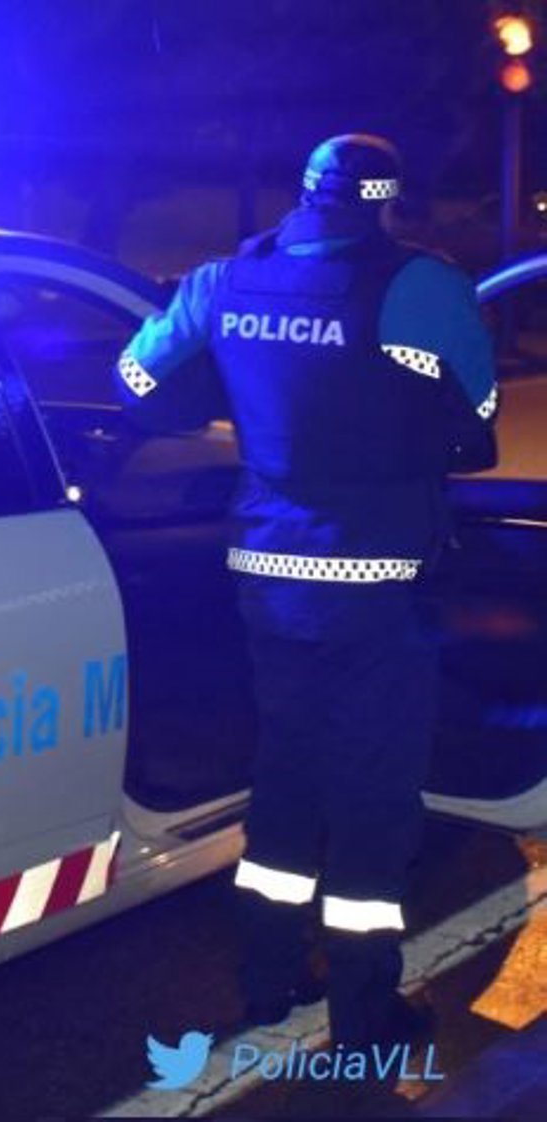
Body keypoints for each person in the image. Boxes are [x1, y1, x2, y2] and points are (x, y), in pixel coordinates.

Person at [114, 134, 498, 1049]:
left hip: (265, 575)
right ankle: (365, 1012)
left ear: (307, 193)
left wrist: (234, 391)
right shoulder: (420, 285)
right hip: (377, 585)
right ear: (387, 202)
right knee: (374, 792)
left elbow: (136, 383)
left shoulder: (223, 281)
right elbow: (477, 424)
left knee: (286, 770)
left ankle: (267, 977)